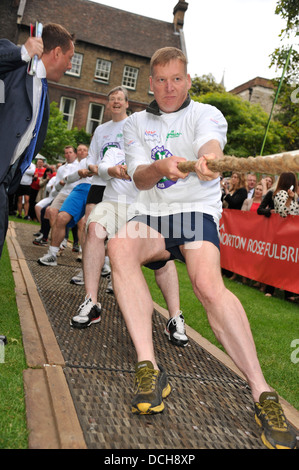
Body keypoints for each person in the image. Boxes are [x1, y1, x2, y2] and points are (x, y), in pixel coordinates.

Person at [107, 47, 296, 449]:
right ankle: (148, 366)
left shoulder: (208, 113)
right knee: (119, 245)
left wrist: (208, 160)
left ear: (188, 80)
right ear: (151, 83)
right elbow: (141, 178)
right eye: (160, 80)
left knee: (208, 287)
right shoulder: (136, 123)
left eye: (176, 78)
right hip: (153, 213)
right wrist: (160, 167)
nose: (168, 87)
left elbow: (210, 145)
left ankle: (263, 392)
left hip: (195, 211)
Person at [70, 147, 188, 347]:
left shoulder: (156, 150)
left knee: (164, 257)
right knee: (95, 227)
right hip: (114, 204)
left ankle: (175, 316)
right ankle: (91, 302)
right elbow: (102, 167)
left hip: (147, 209)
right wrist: (114, 171)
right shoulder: (115, 150)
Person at [0, 23, 74, 258]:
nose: (70, 65)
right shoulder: (13, 63)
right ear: (57, 53)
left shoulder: (43, 88)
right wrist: (22, 53)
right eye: (70, 58)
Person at [37, 144, 92, 266]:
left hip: (86, 191)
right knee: (54, 213)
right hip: (67, 192)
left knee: (83, 223)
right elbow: (59, 184)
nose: (68, 154)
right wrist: (63, 183)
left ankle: (85, 254)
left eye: (84, 150)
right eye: (79, 150)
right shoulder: (64, 168)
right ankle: (56, 248)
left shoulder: (88, 161)